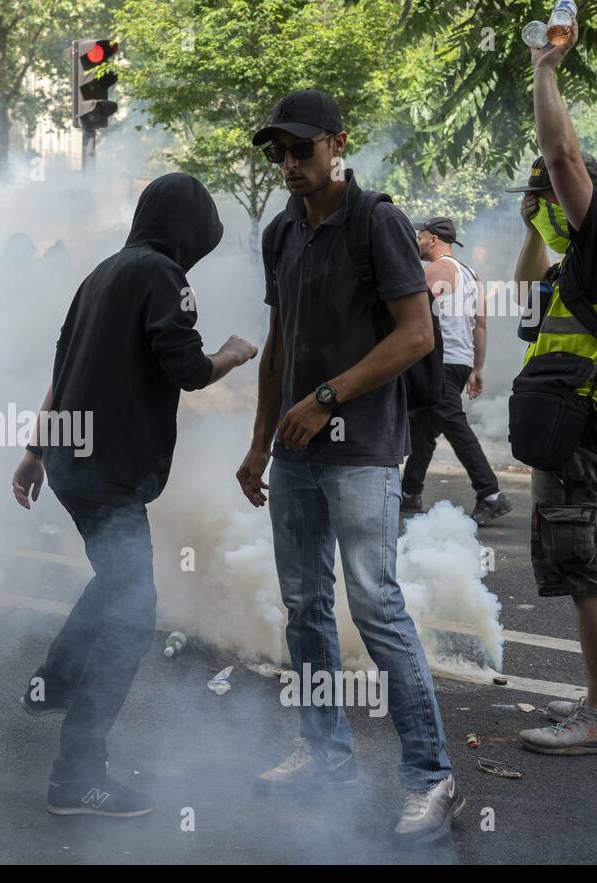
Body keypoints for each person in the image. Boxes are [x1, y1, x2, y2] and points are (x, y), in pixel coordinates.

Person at [236, 90, 462, 842]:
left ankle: (431, 777)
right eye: (279, 153)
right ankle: (325, 752)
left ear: (338, 143)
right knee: (304, 607)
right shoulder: (280, 235)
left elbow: (416, 335)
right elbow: (278, 346)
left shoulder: (379, 222)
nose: (290, 165)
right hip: (294, 453)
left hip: (362, 447)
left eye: (302, 149)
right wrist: (261, 437)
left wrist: (327, 398)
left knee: (376, 605)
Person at [12, 172, 258, 817]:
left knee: (116, 581)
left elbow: (64, 370)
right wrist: (231, 352)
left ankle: (52, 682)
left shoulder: (101, 273)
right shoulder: (163, 277)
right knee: (133, 613)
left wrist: (37, 450)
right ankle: (77, 777)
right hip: (109, 474)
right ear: (190, 230)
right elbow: (190, 370)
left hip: (71, 465)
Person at [510, 25, 597, 755]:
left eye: (545, 193)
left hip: (585, 439)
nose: (542, 197)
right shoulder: (583, 260)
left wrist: (544, 71)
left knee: (590, 571)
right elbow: (524, 307)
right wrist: (533, 228)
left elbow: (561, 151)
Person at [401, 215, 510, 524]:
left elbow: (412, 312)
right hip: (460, 362)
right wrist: (477, 368)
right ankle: (409, 492)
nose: (416, 241)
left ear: (432, 239)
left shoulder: (435, 270)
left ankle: (490, 494)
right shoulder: (470, 274)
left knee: (453, 423)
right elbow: (481, 324)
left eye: (419, 236)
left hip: (441, 362)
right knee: (424, 428)